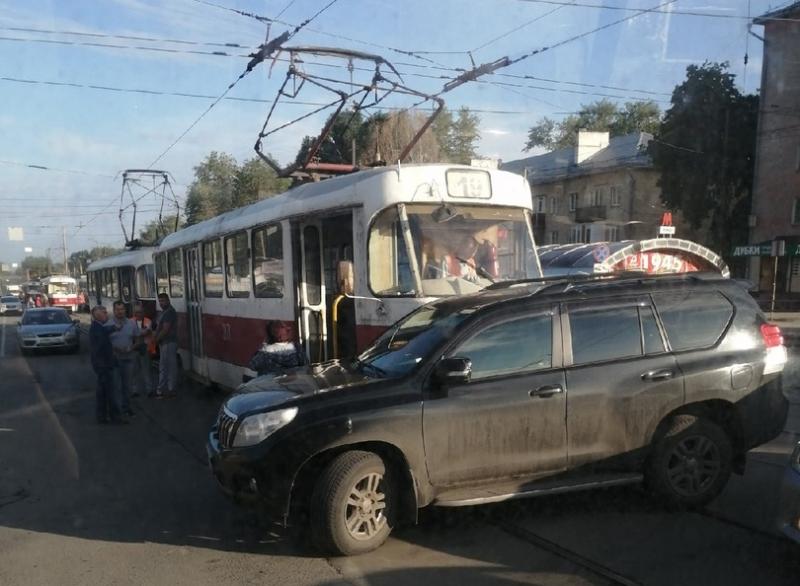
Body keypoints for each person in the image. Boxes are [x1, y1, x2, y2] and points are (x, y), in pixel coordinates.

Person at [89, 305, 126, 424]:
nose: (107, 314)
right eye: (104, 312)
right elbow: (102, 340)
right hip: (104, 365)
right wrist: (115, 328)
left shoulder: (97, 326)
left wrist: (114, 328)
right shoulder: (97, 328)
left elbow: (104, 331)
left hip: (101, 364)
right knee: (110, 392)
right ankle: (115, 417)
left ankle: (102, 417)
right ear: (98, 315)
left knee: (103, 392)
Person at [107, 300, 140, 416]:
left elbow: (138, 339)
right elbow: (104, 342)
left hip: (128, 359)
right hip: (114, 360)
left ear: (125, 310)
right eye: (117, 309)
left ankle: (127, 408)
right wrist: (114, 348)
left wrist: (131, 347)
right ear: (114, 310)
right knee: (116, 386)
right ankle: (116, 410)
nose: (120, 312)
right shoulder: (109, 324)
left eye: (122, 309)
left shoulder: (131, 323)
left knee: (127, 386)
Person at [153, 292, 178, 398]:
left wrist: (156, 340)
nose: (161, 303)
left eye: (163, 301)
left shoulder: (169, 313)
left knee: (165, 367)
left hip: (168, 342)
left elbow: (165, 329)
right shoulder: (165, 312)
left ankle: (163, 390)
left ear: (168, 300)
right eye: (160, 301)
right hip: (166, 342)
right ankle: (168, 389)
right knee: (167, 366)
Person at [131, 305, 154, 397]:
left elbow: (146, 332)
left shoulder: (148, 321)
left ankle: (149, 390)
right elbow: (130, 333)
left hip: (145, 348)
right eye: (136, 312)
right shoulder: (130, 321)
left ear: (143, 313)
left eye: (140, 312)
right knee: (134, 371)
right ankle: (134, 390)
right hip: (134, 348)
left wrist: (137, 332)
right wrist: (140, 332)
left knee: (146, 370)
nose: (138, 314)